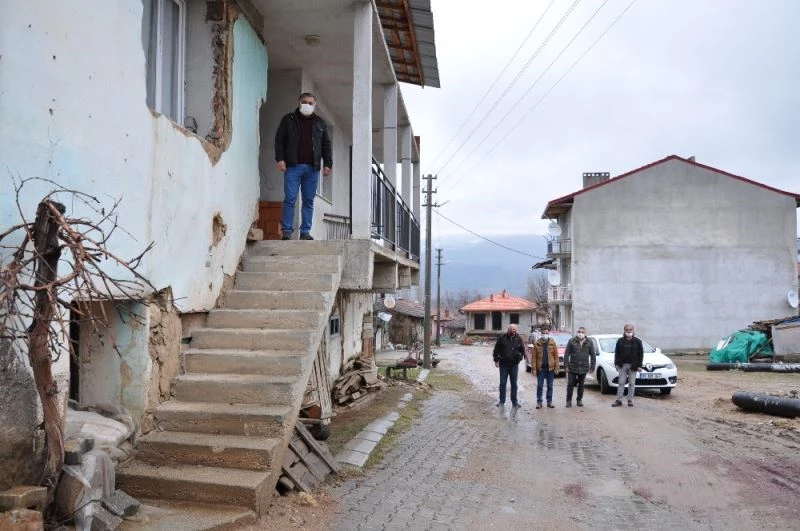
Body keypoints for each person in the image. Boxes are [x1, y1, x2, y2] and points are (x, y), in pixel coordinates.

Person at [274, 92, 333, 240]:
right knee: (290, 199)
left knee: (308, 200)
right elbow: (279, 140)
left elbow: (326, 144)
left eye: (311, 103)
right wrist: (280, 159)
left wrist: (327, 163)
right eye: (305, 102)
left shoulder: (320, 123)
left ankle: (305, 232)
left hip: (312, 169)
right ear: (299, 103)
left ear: (315, 105)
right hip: (293, 167)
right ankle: (287, 231)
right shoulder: (288, 120)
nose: (308, 105)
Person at [493, 324, 526, 408]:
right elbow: (496, 350)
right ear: (508, 329)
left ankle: (514, 402)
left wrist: (520, 357)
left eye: (514, 329)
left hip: (514, 365)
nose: (513, 331)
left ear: (516, 330)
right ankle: (501, 401)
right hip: (503, 364)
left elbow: (522, 350)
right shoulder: (502, 338)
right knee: (503, 383)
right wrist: (496, 360)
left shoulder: (518, 339)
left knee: (514, 384)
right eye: (511, 329)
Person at [612, 323, 644, 407]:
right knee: (621, 382)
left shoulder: (637, 341)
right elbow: (617, 353)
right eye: (627, 330)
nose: (628, 331)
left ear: (633, 331)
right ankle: (618, 400)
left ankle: (630, 400)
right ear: (624, 330)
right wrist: (616, 363)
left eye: (630, 330)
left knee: (631, 383)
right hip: (622, 365)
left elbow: (641, 354)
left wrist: (639, 365)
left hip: (633, 365)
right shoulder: (620, 341)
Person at [564, 326, 596, 407]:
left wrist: (592, 366)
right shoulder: (572, 341)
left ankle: (579, 400)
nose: (580, 333)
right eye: (579, 332)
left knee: (581, 385)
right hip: (573, 367)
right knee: (570, 384)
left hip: (584, 367)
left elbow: (593, 355)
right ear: (577, 332)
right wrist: (566, 366)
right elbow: (566, 354)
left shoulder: (589, 342)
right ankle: (568, 401)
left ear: (585, 333)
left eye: (582, 332)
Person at [532, 325, 559, 409]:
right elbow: (534, 358)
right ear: (541, 333)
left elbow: (556, 356)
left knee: (550, 386)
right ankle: (539, 402)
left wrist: (557, 367)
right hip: (541, 369)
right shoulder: (537, 343)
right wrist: (534, 369)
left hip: (550, 369)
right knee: (540, 386)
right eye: (543, 333)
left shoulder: (552, 342)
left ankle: (549, 401)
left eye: (546, 333)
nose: (545, 335)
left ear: (548, 333)